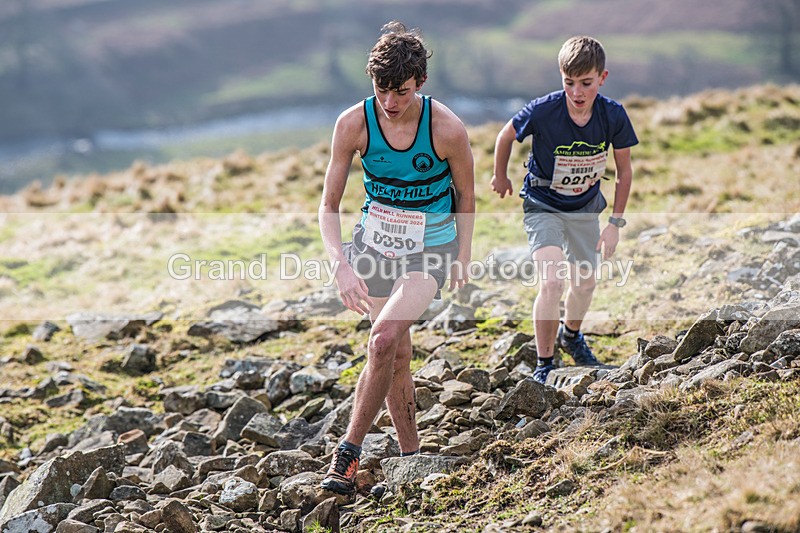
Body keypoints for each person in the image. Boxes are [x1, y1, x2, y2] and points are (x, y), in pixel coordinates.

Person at [317, 21, 475, 495]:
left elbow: (467, 195)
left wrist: (463, 254)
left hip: (430, 249)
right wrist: (339, 263)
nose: (390, 102)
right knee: (398, 354)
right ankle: (412, 456)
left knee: (382, 339)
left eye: (401, 92)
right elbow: (328, 205)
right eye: (382, 89)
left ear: (420, 84)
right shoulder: (353, 124)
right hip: (374, 246)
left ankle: (346, 453)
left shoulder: (446, 129)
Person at [491, 36, 637, 385]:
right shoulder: (544, 109)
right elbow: (505, 136)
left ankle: (571, 336)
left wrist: (614, 223)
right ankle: (545, 364)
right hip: (542, 204)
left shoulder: (613, 115)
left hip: (585, 208)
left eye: (585, 83)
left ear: (602, 78)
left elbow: (624, 171)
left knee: (585, 283)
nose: (577, 91)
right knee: (553, 281)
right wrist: (500, 175)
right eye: (568, 83)